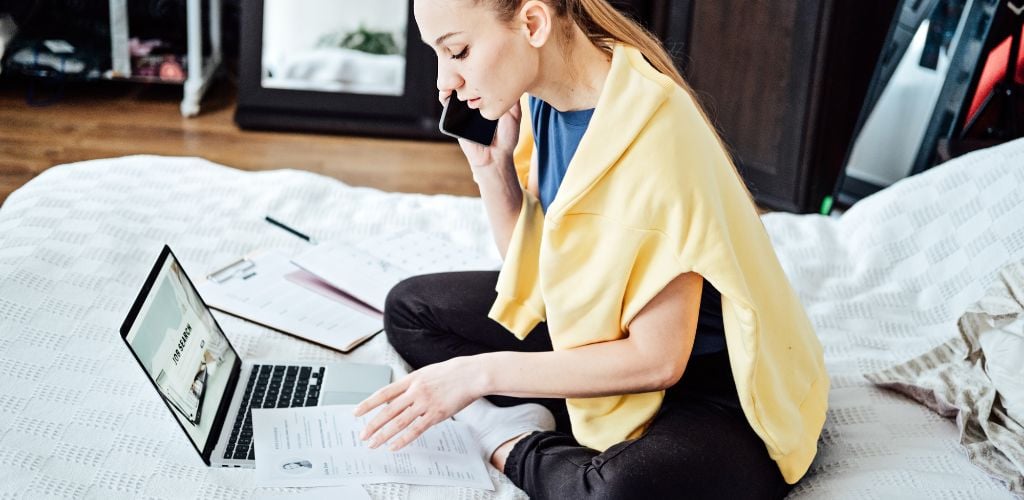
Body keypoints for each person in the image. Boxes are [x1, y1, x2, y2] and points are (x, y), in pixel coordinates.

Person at [354, 0, 829, 498]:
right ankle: (551, 411)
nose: (444, 82)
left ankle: (505, 437)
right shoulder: (545, 96)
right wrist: (491, 172)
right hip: (597, 330)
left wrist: (476, 374)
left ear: (532, 23)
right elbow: (538, 275)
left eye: (459, 51)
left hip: (709, 385)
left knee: (612, 491)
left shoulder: (655, 133)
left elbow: (659, 360)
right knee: (412, 311)